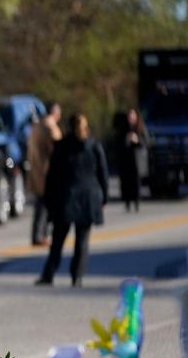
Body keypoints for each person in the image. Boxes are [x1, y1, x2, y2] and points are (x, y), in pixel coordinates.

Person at [35, 113, 108, 288]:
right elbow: (103, 175)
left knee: (58, 240)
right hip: (88, 199)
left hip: (65, 198)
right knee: (82, 242)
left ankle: (49, 274)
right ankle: (77, 277)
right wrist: (103, 198)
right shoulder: (94, 146)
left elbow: (52, 176)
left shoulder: (62, 147)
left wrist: (48, 199)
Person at [27, 101, 63, 246]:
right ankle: (42, 235)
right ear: (55, 113)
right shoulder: (51, 127)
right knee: (47, 206)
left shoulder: (36, 126)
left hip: (36, 170)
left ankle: (38, 234)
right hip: (48, 171)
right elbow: (58, 149)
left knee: (40, 205)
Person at [118, 107, 147, 212]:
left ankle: (137, 202)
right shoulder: (123, 128)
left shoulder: (140, 128)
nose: (131, 117)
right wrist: (127, 139)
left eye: (132, 115)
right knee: (126, 183)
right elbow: (118, 144)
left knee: (136, 183)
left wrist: (137, 140)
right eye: (129, 115)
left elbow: (146, 142)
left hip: (137, 161)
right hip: (126, 160)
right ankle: (127, 202)